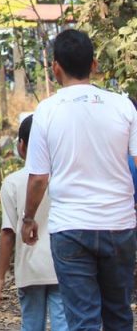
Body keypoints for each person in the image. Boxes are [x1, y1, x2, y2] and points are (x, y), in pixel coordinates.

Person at [22, 29, 137, 331]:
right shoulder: (124, 106)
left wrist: (28, 218)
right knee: (119, 314)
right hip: (119, 224)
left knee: (83, 319)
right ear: (94, 64)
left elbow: (37, 178)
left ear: (55, 66)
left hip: (70, 228)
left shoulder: (46, 111)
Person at [0, 115, 66, 331]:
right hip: (62, 265)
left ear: (22, 146)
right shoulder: (63, 177)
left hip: (29, 270)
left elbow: (8, 234)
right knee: (64, 325)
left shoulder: (12, 183)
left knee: (31, 325)